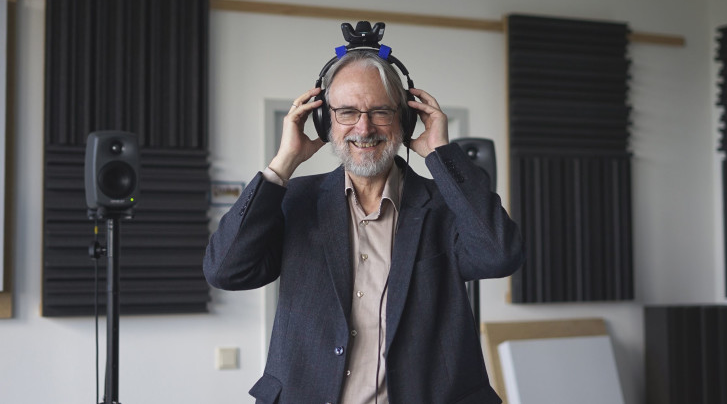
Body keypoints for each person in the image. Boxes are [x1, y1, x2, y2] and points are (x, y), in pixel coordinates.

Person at [204, 48, 524, 404]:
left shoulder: (446, 206)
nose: (364, 127)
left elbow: (500, 256)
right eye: (347, 112)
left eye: (381, 111)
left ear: (405, 121)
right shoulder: (294, 200)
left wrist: (441, 155)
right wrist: (281, 165)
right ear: (326, 122)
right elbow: (226, 270)